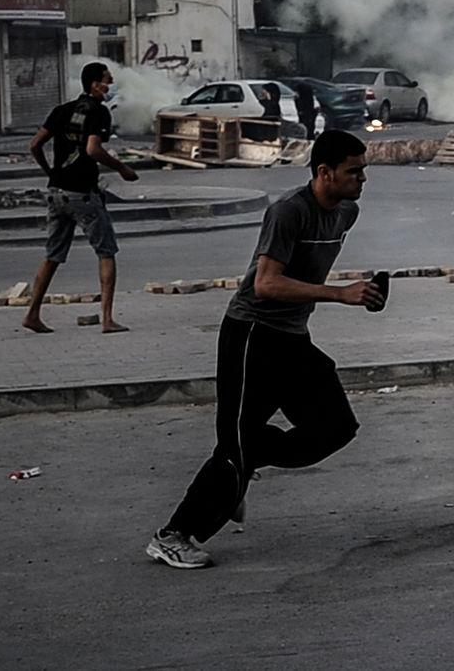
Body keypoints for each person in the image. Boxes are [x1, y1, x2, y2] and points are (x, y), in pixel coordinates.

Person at [145, 130, 383, 570]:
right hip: (252, 335)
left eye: (363, 169)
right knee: (233, 447)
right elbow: (266, 283)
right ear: (324, 172)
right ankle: (173, 535)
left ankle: (246, 456)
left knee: (335, 427)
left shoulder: (346, 213)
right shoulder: (287, 212)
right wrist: (339, 294)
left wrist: (364, 294)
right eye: (354, 171)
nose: (363, 178)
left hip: (293, 338)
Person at [23, 62, 139, 335]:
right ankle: (108, 319)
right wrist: (122, 169)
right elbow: (93, 149)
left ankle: (32, 314)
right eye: (107, 81)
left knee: (52, 255)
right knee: (106, 251)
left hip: (57, 192)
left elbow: (34, 144)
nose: (110, 86)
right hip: (83, 194)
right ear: (95, 84)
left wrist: (50, 171)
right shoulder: (99, 113)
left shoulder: (62, 110)